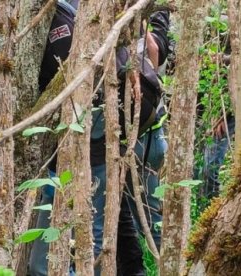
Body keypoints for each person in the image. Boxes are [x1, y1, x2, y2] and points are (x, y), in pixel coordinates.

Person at [30, 5, 170, 276]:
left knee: (102, 227)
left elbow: (152, 49)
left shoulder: (66, 18)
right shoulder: (90, 12)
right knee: (127, 218)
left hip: (103, 137)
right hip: (130, 130)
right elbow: (153, 51)